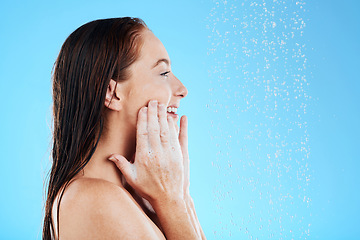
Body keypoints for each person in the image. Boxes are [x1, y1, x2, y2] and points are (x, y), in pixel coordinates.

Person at [42, 17, 206, 239]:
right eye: (163, 73)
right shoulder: (93, 197)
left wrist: (180, 195)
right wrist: (173, 202)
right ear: (112, 93)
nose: (182, 89)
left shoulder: (129, 197)